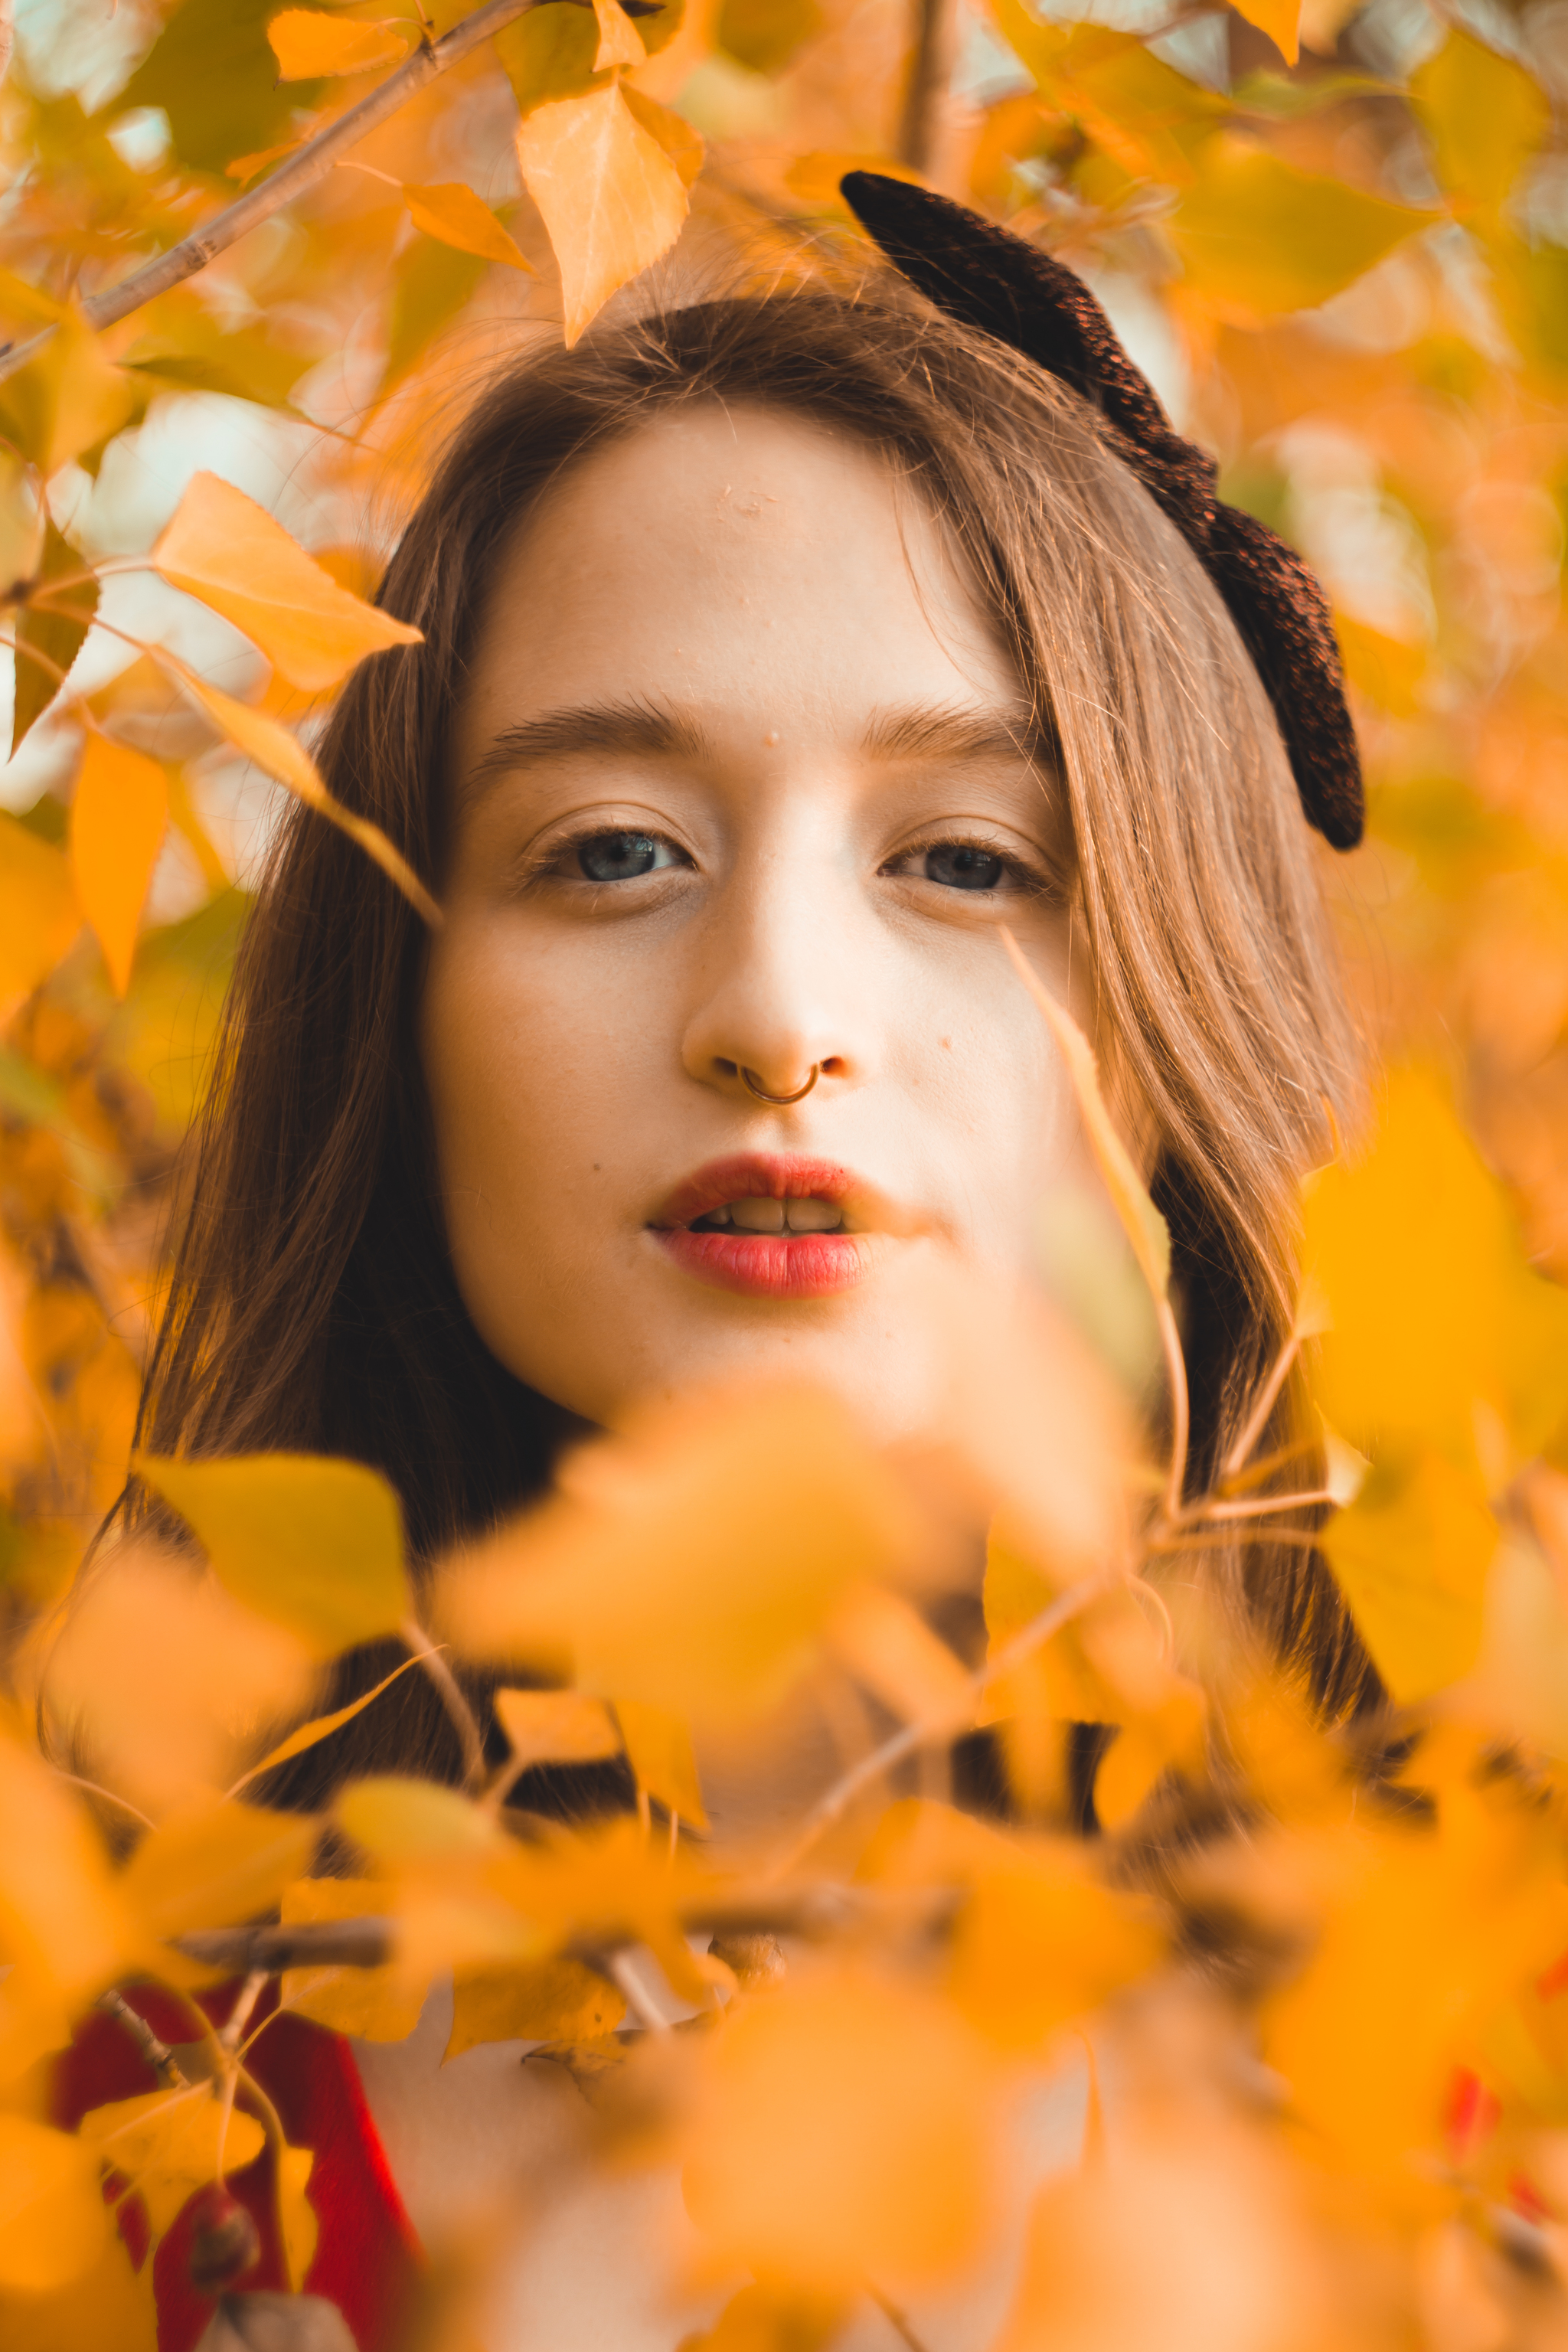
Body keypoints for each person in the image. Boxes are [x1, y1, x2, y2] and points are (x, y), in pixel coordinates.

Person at [64, 181, 1371, 2350]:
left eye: (967, 858)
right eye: (611, 852)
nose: (774, 1008)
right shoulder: (126, 2120)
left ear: (1187, 1011)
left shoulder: (1487, 2090)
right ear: (399, 1003)